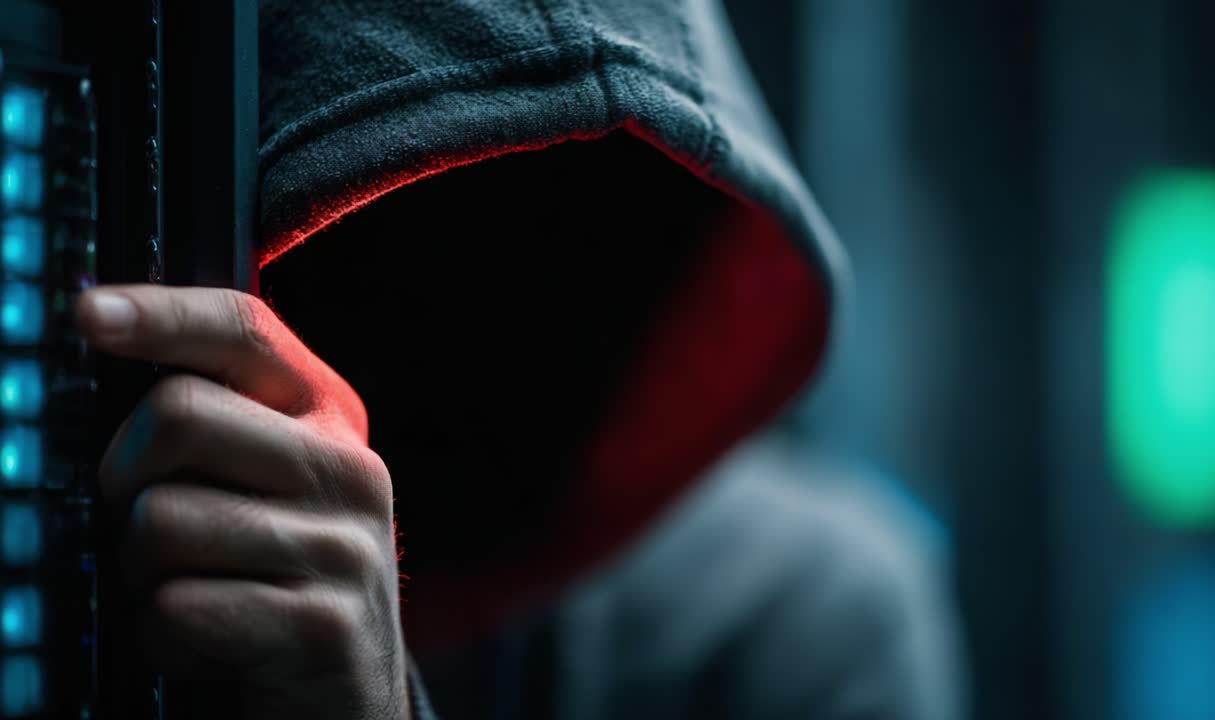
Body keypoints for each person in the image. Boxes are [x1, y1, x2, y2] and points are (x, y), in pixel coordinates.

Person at [75, 1, 966, 718]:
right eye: (403, 228)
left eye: (587, 230)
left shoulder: (797, 609)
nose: (485, 297)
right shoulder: (108, 519)